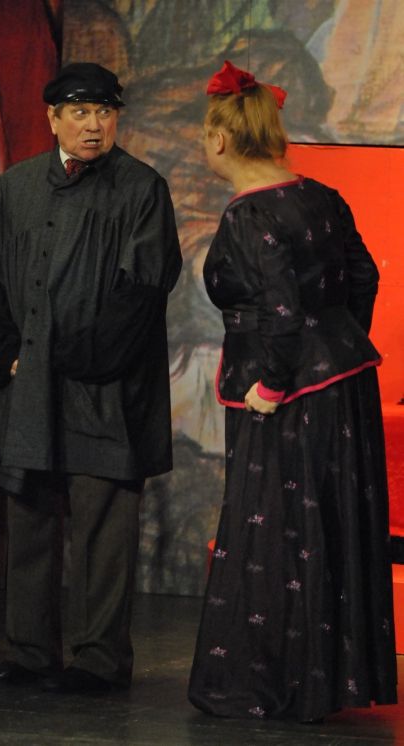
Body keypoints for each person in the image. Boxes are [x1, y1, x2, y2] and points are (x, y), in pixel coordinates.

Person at [188, 60, 397, 722]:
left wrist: (274, 384)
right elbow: (364, 278)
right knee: (328, 524)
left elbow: (280, 310)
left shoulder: (248, 215)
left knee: (277, 530)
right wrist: (336, 346)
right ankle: (328, 681)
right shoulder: (322, 196)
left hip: (286, 392)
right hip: (343, 383)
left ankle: (273, 684)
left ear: (221, 139)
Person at [0, 62, 182, 693]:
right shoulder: (14, 187)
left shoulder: (141, 189)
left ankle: (97, 660)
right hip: (29, 383)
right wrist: (3, 354)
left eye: (105, 112)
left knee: (102, 523)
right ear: (53, 118)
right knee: (30, 517)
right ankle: (30, 652)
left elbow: (144, 287)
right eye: (81, 113)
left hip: (105, 385)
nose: (94, 125)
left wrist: (86, 359)